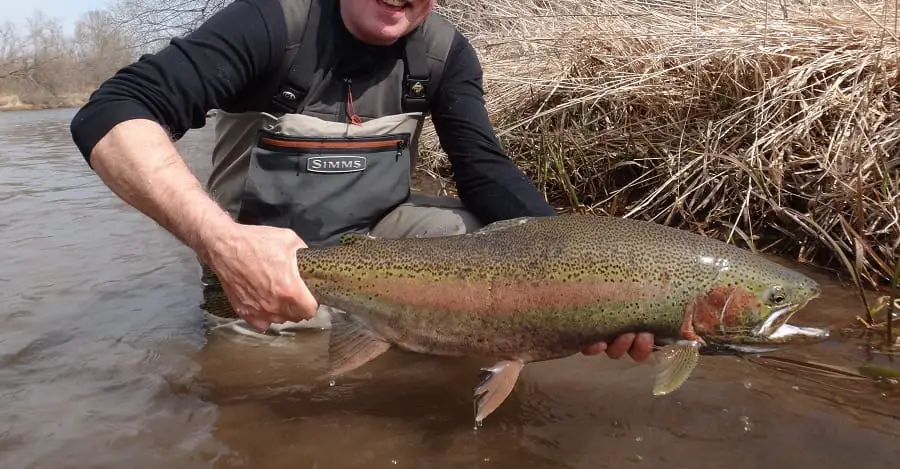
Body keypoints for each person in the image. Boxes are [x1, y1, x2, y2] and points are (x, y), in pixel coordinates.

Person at [69, 0, 654, 362]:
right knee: (260, 383)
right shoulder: (269, 23)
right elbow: (112, 111)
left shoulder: (444, 53)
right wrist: (219, 241)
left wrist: (574, 282)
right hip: (258, 263)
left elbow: (485, 170)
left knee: (476, 229)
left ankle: (453, 340)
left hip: (379, 243)